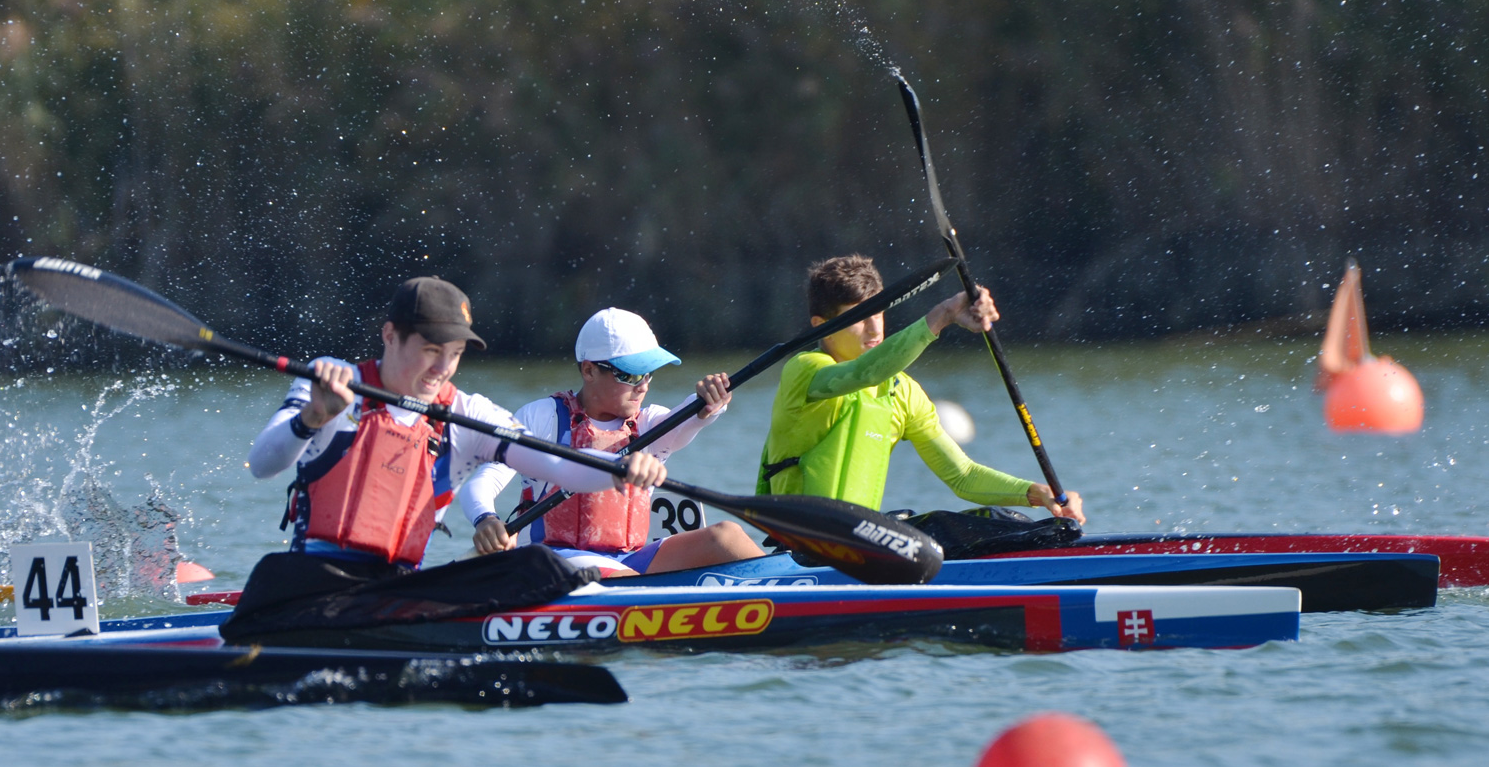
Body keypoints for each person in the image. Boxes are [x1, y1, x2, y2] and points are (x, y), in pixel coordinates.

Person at [246, 277, 667, 578]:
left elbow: (556, 465)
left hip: (394, 587)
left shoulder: (468, 414)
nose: (442, 369)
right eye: (431, 350)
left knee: (532, 565)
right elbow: (262, 465)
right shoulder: (334, 381)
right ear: (390, 335)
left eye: (455, 353)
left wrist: (617, 469)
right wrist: (313, 417)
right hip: (309, 579)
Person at [756, 254, 1085, 523]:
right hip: (799, 547)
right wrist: (943, 314)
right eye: (858, 318)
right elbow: (864, 373)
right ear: (822, 325)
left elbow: (963, 475)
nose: (874, 328)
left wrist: (1036, 493)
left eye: (878, 313)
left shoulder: (903, 393)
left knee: (1004, 522)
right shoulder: (804, 371)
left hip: (861, 541)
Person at [460, 307, 765, 576]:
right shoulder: (543, 417)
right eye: (631, 376)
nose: (643, 386)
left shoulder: (650, 424)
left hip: (629, 559)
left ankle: (791, 589)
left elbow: (689, 417)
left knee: (727, 535)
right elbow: (484, 481)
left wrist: (712, 403)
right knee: (615, 575)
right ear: (589, 370)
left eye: (649, 374)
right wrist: (486, 519)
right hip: (555, 559)